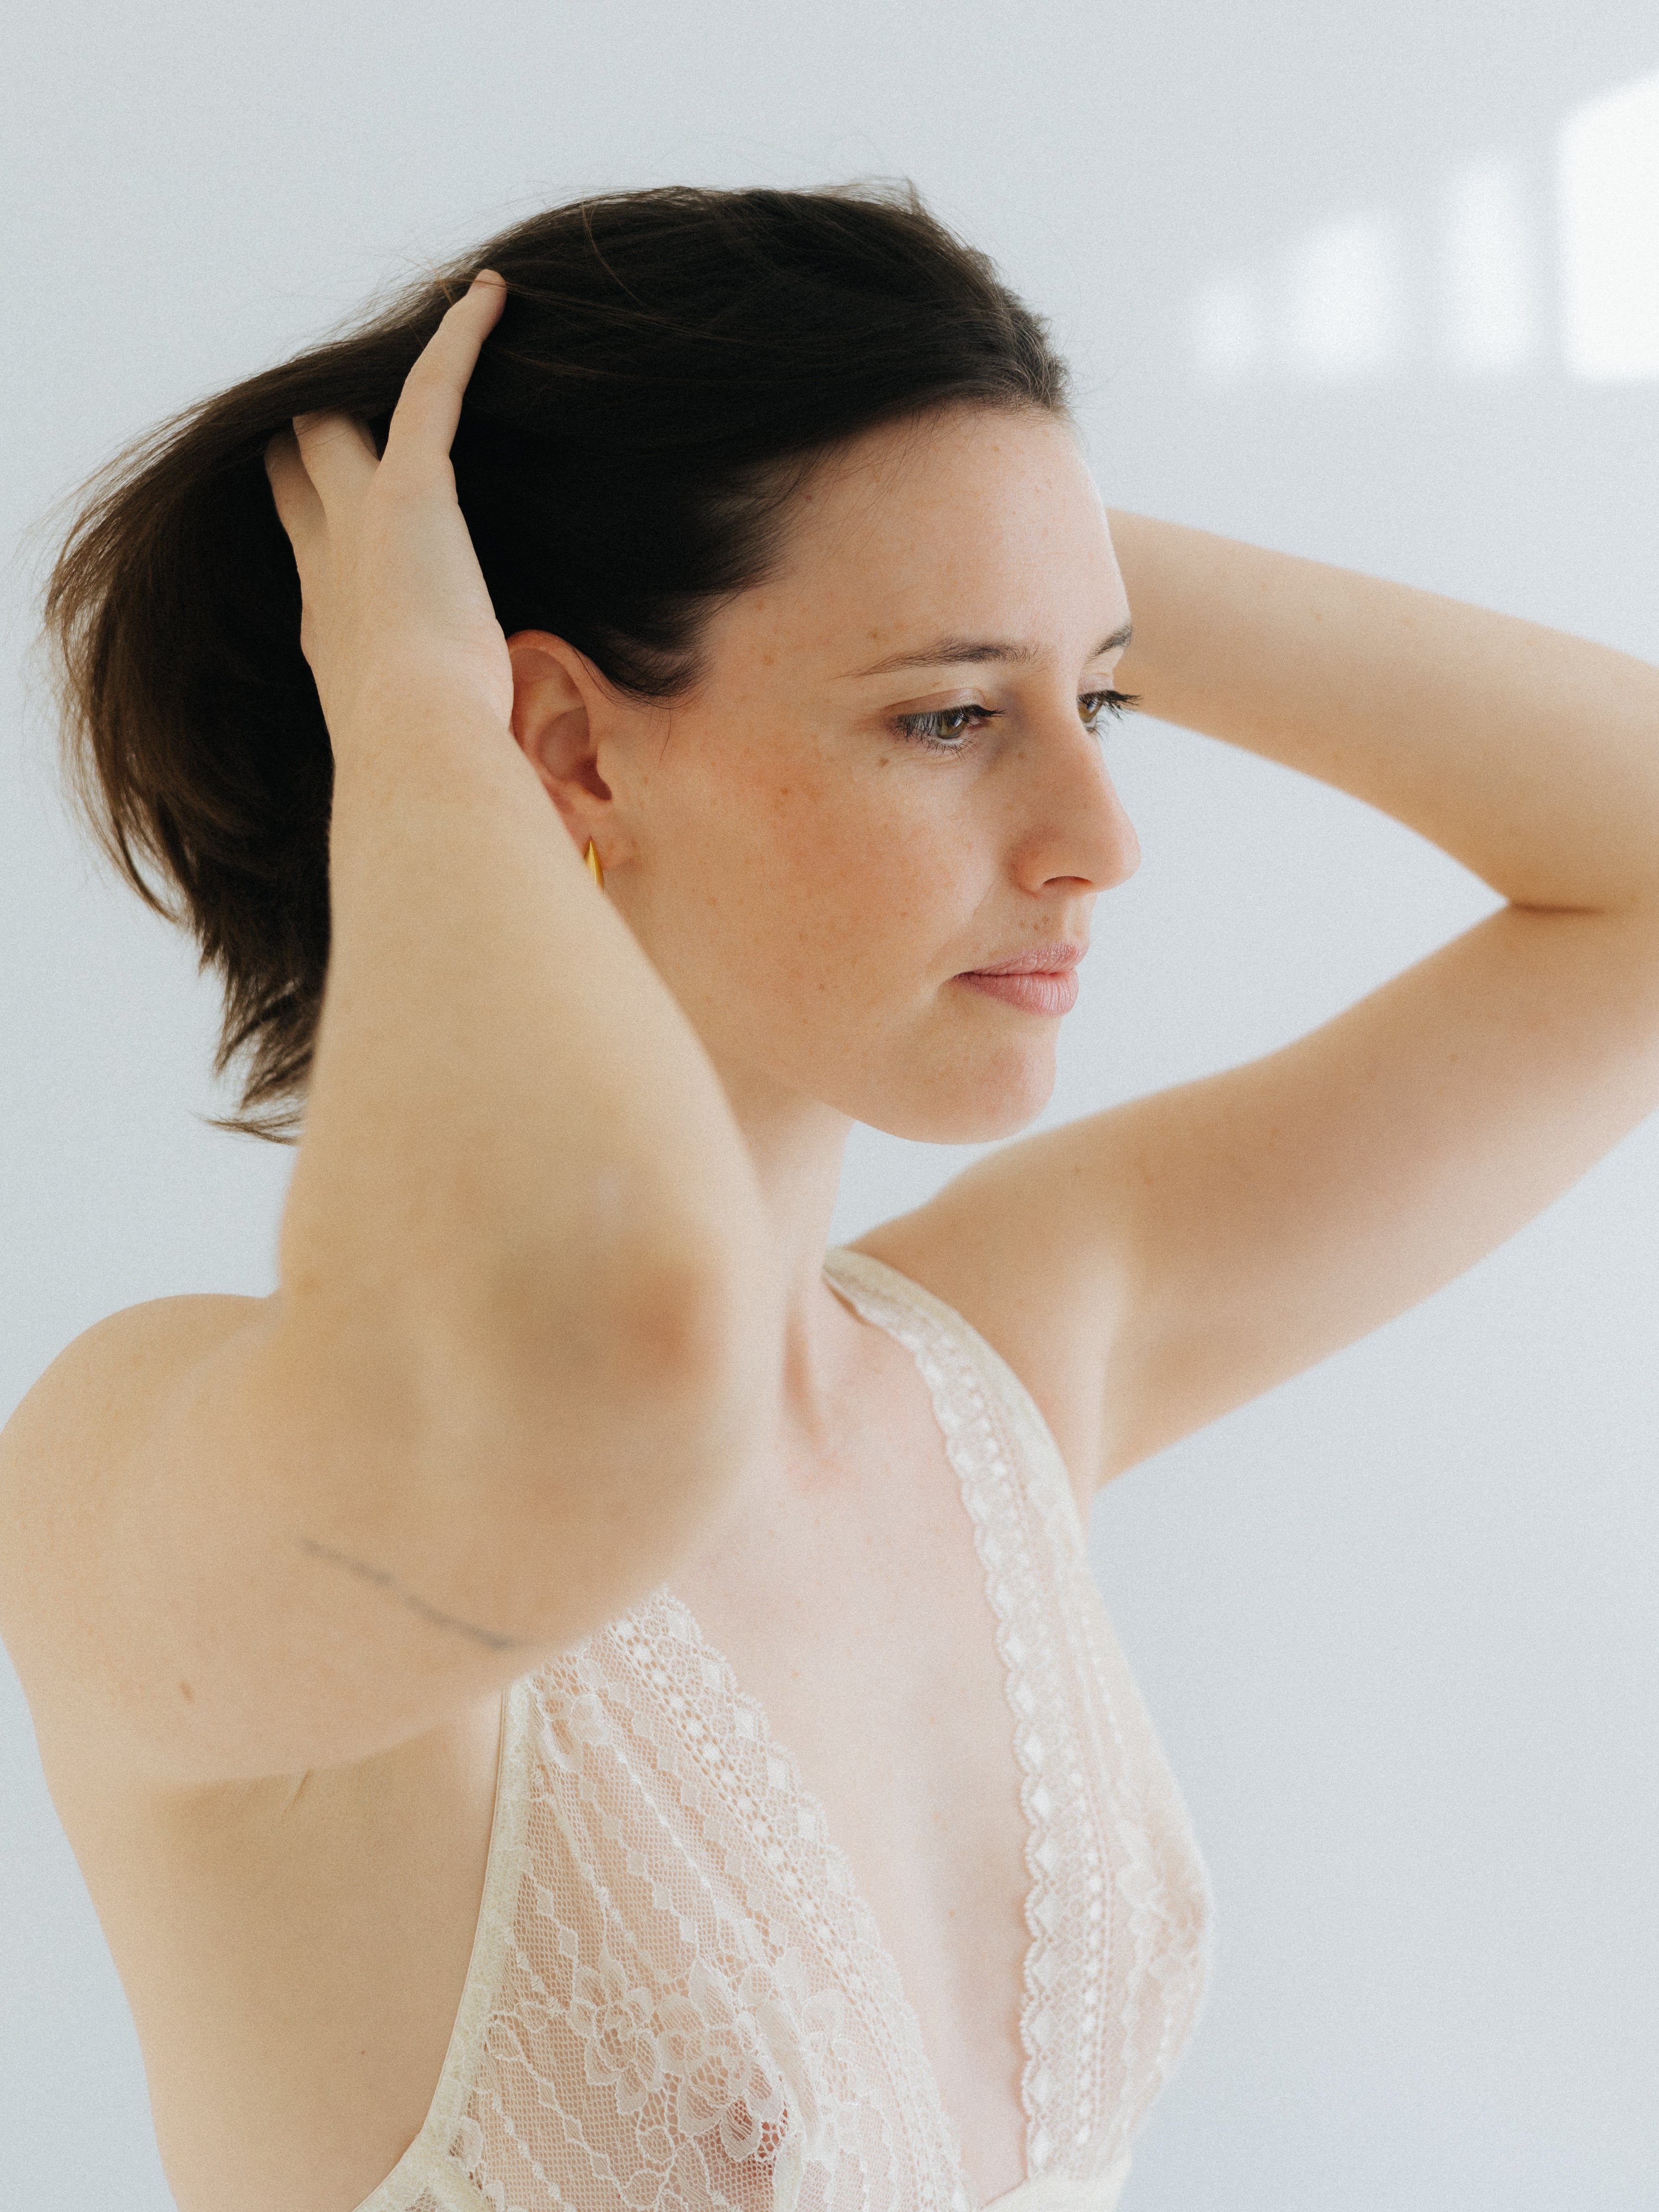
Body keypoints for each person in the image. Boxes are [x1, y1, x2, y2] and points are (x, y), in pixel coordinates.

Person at [3, 182, 1657, 2212]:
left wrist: (1009, 551)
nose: (1101, 835)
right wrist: (424, 733)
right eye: (948, 716)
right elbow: (607, 1351)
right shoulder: (143, 1473)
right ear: (565, 750)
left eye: (1098, 703)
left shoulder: (997, 1369)